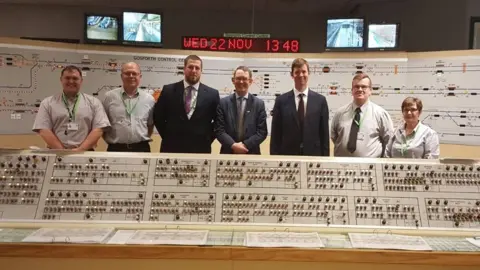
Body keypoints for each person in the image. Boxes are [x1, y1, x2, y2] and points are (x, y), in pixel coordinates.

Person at [32, 65, 110, 151]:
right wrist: (62, 151)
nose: (71, 81)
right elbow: (43, 129)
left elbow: (98, 129)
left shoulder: (94, 102)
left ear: (81, 81)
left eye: (75, 78)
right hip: (56, 153)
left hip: (86, 153)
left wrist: (81, 149)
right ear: (61, 80)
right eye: (67, 78)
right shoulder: (47, 103)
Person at [153, 55, 220, 153]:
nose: (194, 70)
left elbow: (218, 121)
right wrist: (168, 136)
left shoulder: (212, 94)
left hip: (201, 148)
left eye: (197, 68)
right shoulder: (168, 90)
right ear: (184, 69)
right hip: (171, 147)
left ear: (201, 71)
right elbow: (158, 117)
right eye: (190, 67)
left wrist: (207, 138)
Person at [270, 58, 329, 156]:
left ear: (308, 73)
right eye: (297, 72)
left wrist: (325, 159)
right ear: (292, 75)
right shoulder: (281, 101)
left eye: (304, 71)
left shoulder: (320, 101)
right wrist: (274, 157)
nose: (301, 75)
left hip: (313, 156)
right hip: (288, 156)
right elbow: (276, 134)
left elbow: (324, 134)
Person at [331, 73, 394, 157]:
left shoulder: (380, 114)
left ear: (370, 91)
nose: (360, 89)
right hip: (342, 166)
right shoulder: (340, 113)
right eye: (356, 87)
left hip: (370, 167)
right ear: (352, 90)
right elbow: (334, 137)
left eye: (364, 87)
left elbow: (389, 142)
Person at [102, 62, 155, 152]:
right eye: (127, 73)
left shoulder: (149, 99)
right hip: (116, 149)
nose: (131, 76)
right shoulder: (109, 97)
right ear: (121, 76)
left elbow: (150, 125)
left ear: (140, 76)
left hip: (141, 148)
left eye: (134, 73)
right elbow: (103, 125)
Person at [215, 66, 267, 154]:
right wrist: (233, 145)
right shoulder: (223, 103)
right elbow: (219, 130)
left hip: (251, 153)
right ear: (233, 80)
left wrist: (245, 145)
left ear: (250, 81)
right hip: (228, 152)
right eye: (238, 78)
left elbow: (262, 132)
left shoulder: (259, 104)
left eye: (245, 79)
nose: (241, 82)